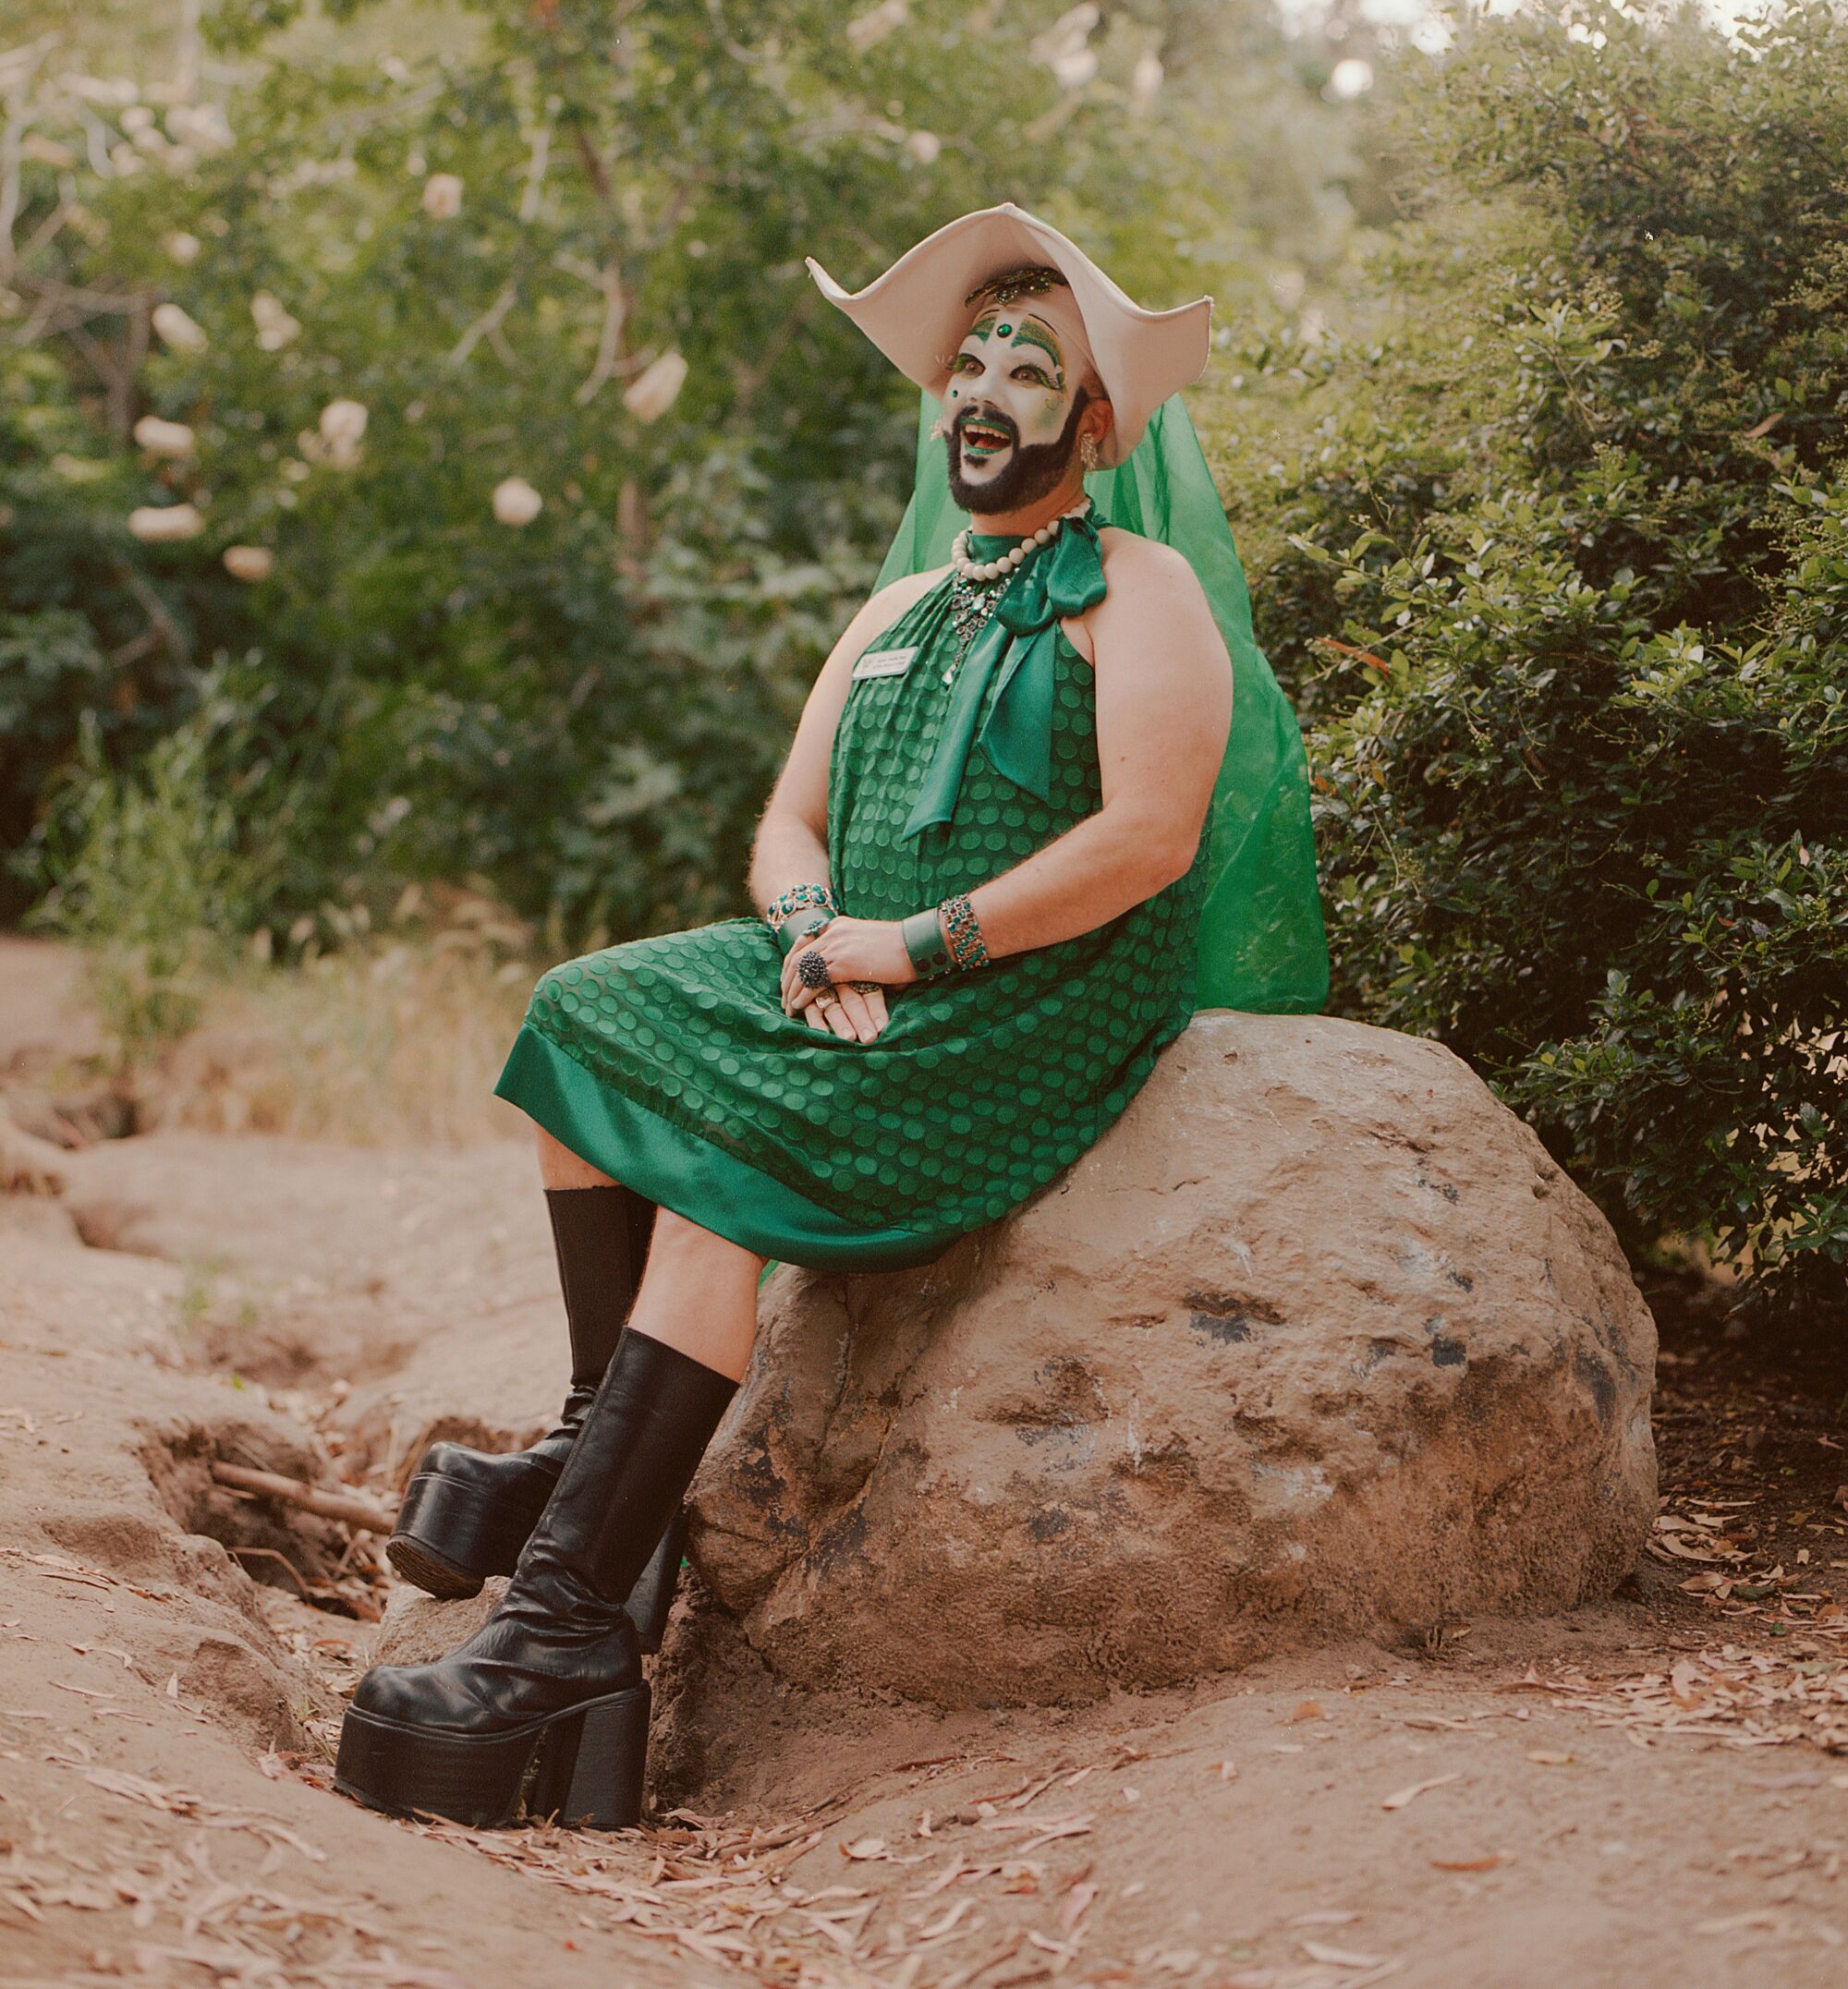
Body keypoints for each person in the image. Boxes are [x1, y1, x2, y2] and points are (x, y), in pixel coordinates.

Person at [334, 204, 1326, 1831]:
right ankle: (609, 1467)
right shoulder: (894, 611)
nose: (983, 390)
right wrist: (812, 940)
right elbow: (786, 823)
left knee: (730, 1148)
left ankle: (568, 1633)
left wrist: (911, 951)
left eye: (1030, 367)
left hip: (1026, 1001)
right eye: (968, 365)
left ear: (1093, 424)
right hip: (854, 960)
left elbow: (1149, 840)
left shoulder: (1141, 596)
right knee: (578, 1013)